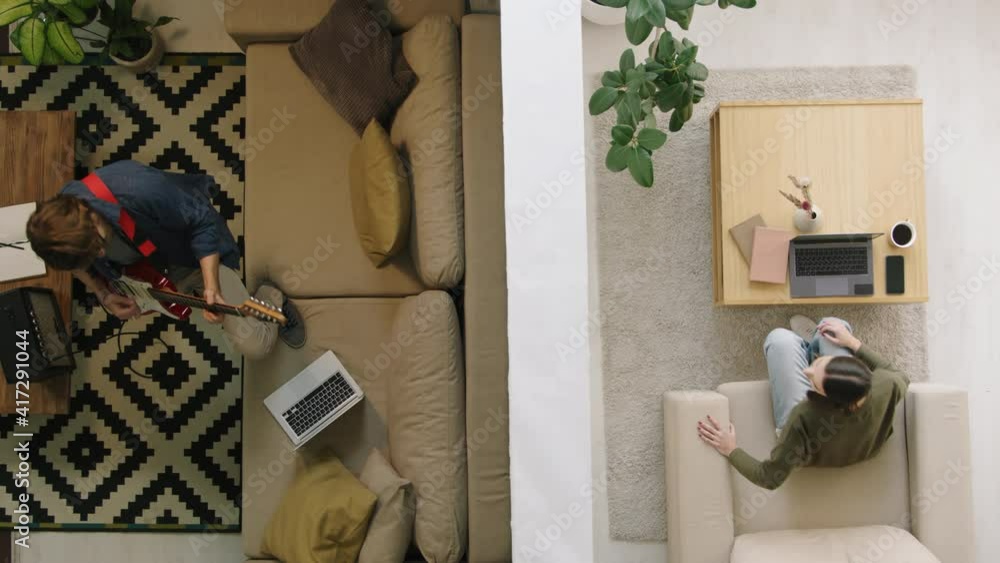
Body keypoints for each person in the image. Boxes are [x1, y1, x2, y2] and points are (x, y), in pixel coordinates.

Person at [25, 160, 304, 359]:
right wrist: (103, 293)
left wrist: (211, 287)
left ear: (87, 213)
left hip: (190, 257)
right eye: (89, 256)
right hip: (146, 270)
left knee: (256, 347)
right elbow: (80, 265)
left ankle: (270, 294)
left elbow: (202, 222)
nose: (100, 255)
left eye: (97, 246)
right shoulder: (62, 224)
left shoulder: (138, 188)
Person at [696, 315, 909, 490]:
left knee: (780, 340)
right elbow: (899, 374)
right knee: (832, 326)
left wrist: (731, 450)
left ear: (824, 398)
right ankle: (813, 345)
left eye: (812, 379)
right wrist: (851, 343)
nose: (808, 372)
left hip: (812, 453)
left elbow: (769, 477)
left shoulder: (803, 416)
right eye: (818, 363)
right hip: (866, 447)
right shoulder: (886, 384)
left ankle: (806, 348)